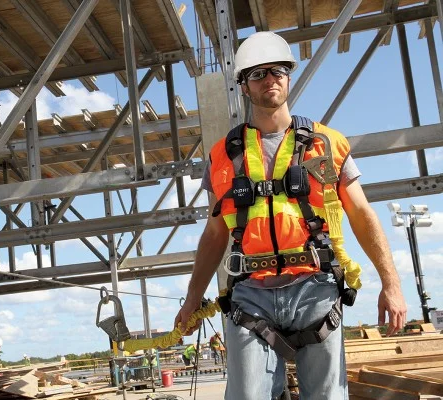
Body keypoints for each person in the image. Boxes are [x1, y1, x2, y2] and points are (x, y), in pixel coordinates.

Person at [173, 31, 407, 400]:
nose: (270, 78)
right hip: (250, 294)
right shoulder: (224, 155)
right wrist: (191, 300)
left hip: (315, 286)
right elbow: (215, 235)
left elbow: (362, 214)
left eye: (279, 70)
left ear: (289, 77)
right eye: (258, 73)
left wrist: (391, 284)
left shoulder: (325, 143)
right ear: (244, 87)